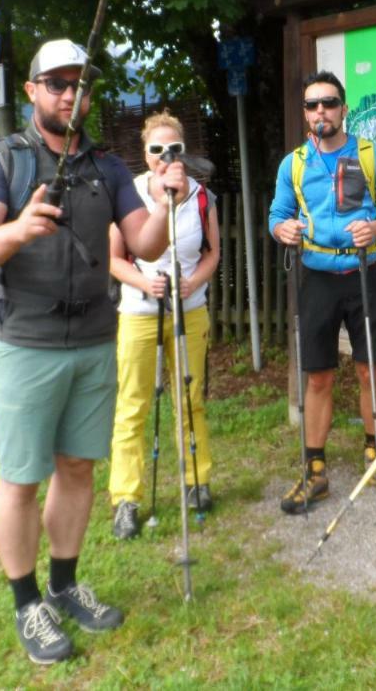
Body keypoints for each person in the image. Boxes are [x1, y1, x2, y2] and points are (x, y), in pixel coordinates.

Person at [0, 39, 186, 665]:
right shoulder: (0, 161)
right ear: (31, 90)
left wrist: (166, 201)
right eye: (55, 83)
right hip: (25, 343)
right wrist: (17, 228)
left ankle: (64, 583)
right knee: (22, 478)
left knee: (79, 469)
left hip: (93, 341)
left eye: (78, 84)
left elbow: (145, 243)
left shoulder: (108, 170)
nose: (68, 95)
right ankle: (28, 602)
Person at [268, 70, 376, 513]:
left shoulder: (369, 155)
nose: (320, 112)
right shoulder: (294, 163)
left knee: (372, 369)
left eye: (329, 103)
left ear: (343, 109)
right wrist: (283, 228)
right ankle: (314, 470)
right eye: (312, 105)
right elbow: (276, 215)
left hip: (363, 274)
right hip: (317, 279)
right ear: (306, 113)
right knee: (318, 375)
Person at [107, 111, 220, 540]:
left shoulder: (201, 196)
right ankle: (127, 499)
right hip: (140, 312)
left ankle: (197, 480)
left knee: (190, 396)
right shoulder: (130, 194)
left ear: (184, 152)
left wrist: (195, 279)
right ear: (145, 153)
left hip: (189, 309)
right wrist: (144, 282)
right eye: (157, 150)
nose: (165, 156)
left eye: (173, 149)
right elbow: (116, 259)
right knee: (133, 404)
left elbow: (212, 253)